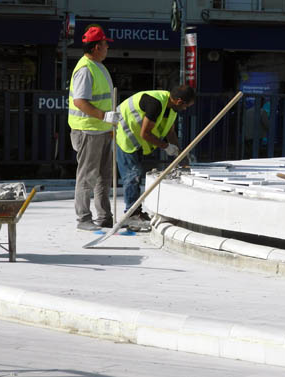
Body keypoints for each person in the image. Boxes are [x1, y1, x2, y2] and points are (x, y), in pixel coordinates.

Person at [115, 85, 196, 220]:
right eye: (186, 106)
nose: (185, 109)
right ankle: (131, 214)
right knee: (132, 175)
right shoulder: (155, 104)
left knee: (136, 174)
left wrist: (180, 155)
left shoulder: (172, 108)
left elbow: (170, 133)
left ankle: (135, 212)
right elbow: (145, 133)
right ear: (179, 101)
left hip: (137, 138)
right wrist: (166, 147)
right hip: (125, 133)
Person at [68, 26, 120, 231]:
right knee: (87, 176)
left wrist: (109, 121)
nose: (108, 47)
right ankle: (83, 218)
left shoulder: (98, 66)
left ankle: (104, 216)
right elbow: (80, 101)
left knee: (104, 176)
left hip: (101, 129)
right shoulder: (85, 69)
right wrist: (104, 116)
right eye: (106, 44)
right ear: (97, 47)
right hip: (88, 130)